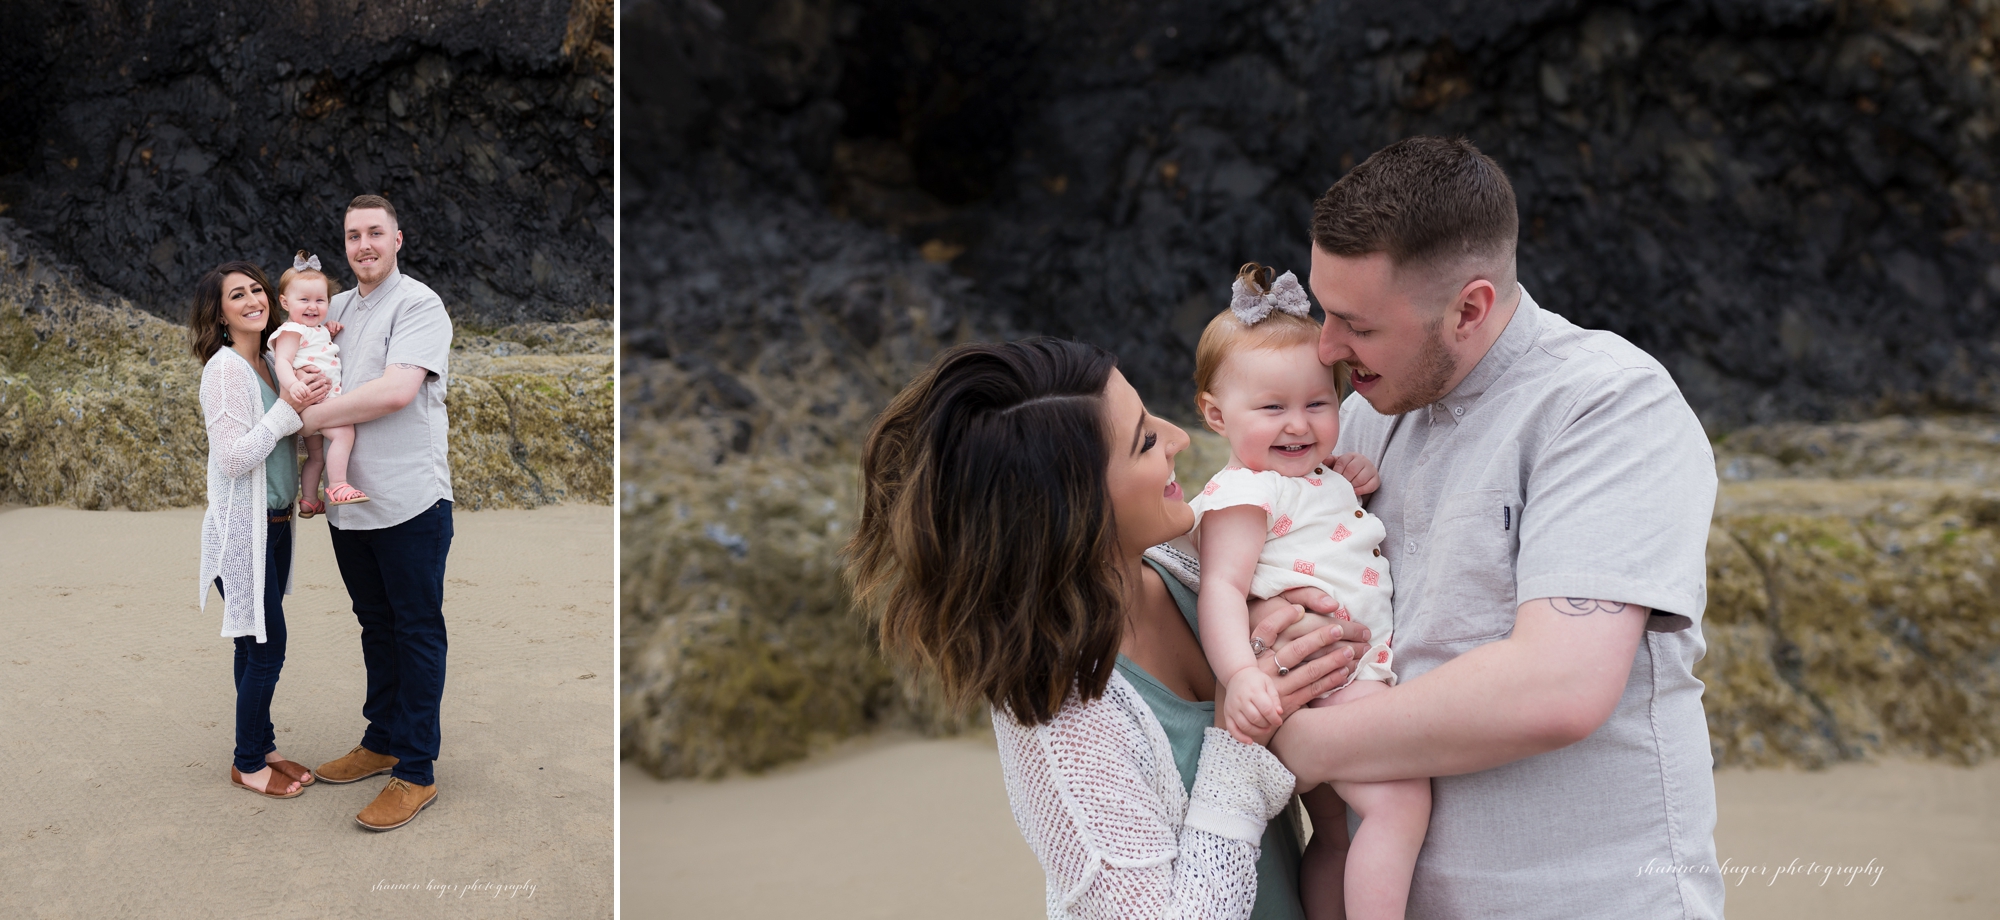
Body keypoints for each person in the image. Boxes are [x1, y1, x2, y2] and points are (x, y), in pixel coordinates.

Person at [1272, 136, 1723, 918]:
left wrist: (1307, 747)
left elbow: (1560, 687)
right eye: (1324, 310)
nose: (1327, 349)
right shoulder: (1354, 422)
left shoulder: (1608, 405)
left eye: (1358, 324)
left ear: (1470, 307)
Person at [847, 338, 1376, 920]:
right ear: (1073, 509)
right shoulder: (1058, 730)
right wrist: (1237, 747)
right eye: (1145, 440)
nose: (1178, 437)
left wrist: (1272, 609)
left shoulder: (1188, 566)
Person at [1187, 262, 1429, 920]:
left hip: (1333, 678)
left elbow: (1318, 522)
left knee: (1336, 834)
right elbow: (1222, 589)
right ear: (1216, 414)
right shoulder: (1245, 492)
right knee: (1401, 804)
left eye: (1318, 404)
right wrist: (1239, 675)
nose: (1298, 424)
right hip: (1325, 681)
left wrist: (1344, 476)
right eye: (1272, 408)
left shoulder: (1305, 475)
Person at [299, 194, 456, 832]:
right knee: (374, 624)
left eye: (375, 233)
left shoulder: (419, 304)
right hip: (349, 506)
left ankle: (416, 771)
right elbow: (295, 357)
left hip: (411, 498)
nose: (363, 245)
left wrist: (303, 421)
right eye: (352, 235)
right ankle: (383, 737)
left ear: (398, 239)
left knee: (416, 629)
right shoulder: (332, 308)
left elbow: (396, 391)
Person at [190, 260, 330, 800]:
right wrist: (289, 411)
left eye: (257, 290)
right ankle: (247, 762)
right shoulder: (224, 370)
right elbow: (233, 459)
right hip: (238, 534)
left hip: (273, 526)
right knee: (268, 648)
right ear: (220, 315)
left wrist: (310, 396)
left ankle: (263, 745)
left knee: (251, 646)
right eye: (236, 296)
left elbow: (291, 428)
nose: (253, 300)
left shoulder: (274, 360)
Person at [269, 250, 368, 516]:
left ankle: (310, 499)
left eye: (320, 300)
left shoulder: (315, 329)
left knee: (317, 457)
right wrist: (292, 385)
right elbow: (282, 362)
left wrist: (329, 330)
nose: (313, 306)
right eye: (304, 300)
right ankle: (337, 485)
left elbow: (318, 349)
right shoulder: (292, 331)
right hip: (313, 400)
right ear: (285, 302)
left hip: (314, 402)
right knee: (345, 434)